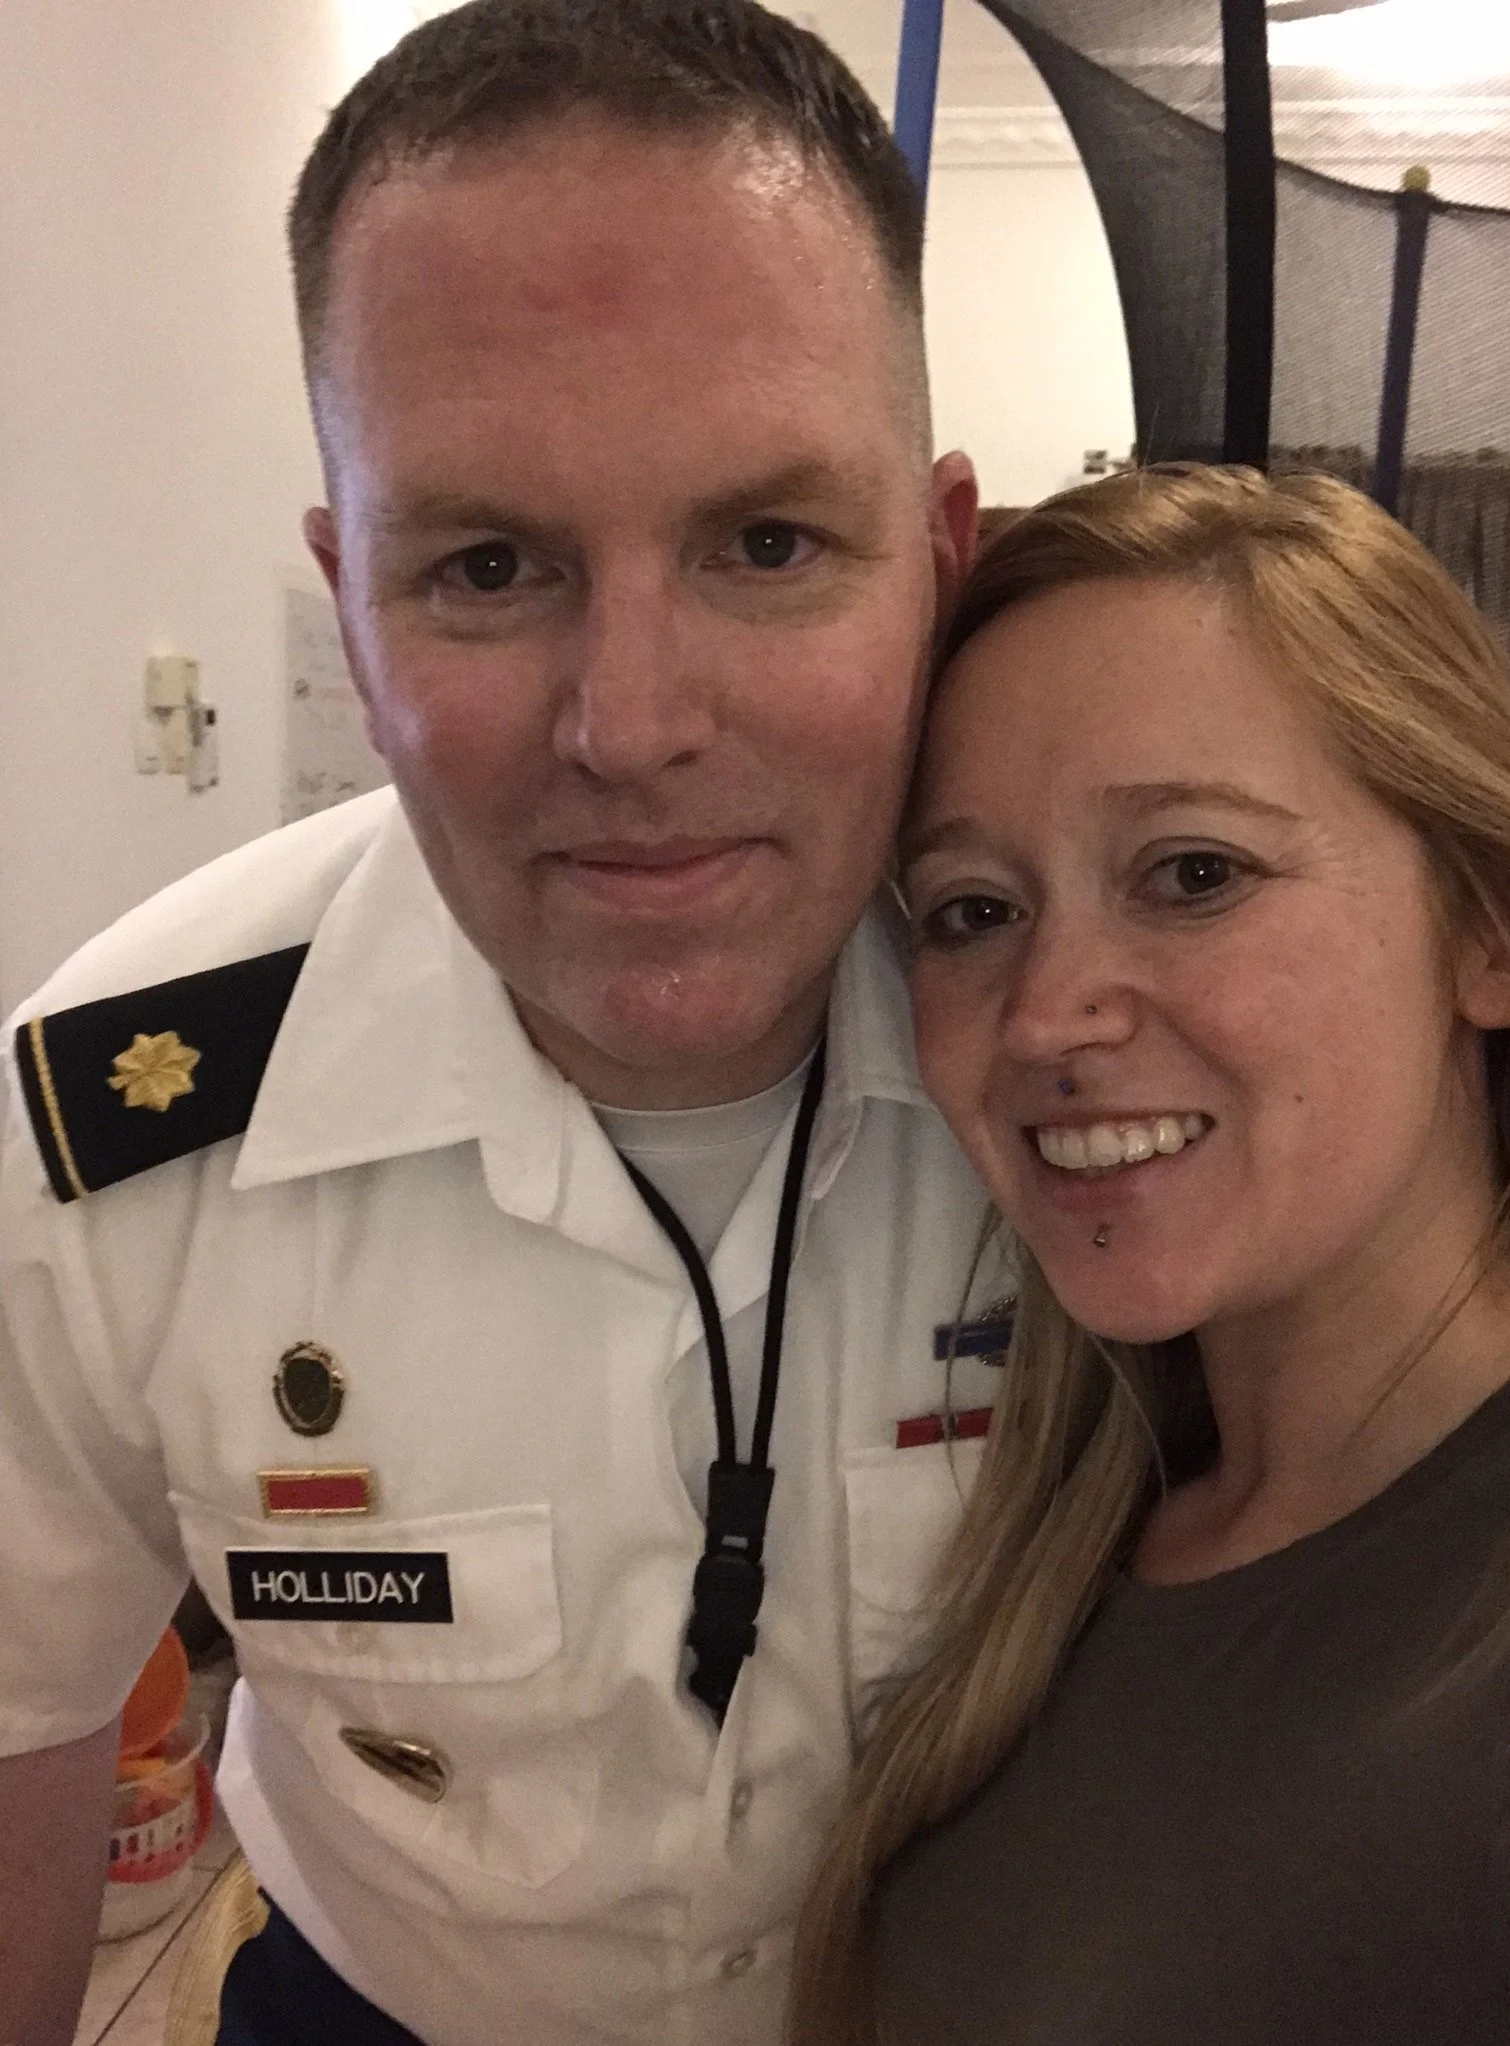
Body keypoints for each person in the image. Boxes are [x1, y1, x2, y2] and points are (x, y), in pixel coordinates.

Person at [0, 5, 995, 2042]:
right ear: (352, 613)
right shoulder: (113, 1136)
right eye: (484, 566)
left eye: (769, 544)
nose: (631, 724)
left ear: (941, 562)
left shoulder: (1129, 1061)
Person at [792, 463, 1510, 2044]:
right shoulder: (1076, 1524)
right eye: (973, 909)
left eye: (1194, 874)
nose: (1048, 1014)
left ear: (1493, 930)